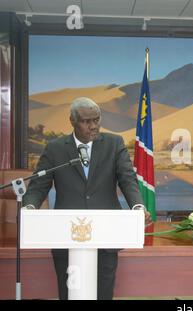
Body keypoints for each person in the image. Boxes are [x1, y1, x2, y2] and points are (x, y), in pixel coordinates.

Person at [23, 97, 147, 300]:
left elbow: (127, 178)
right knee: (68, 294)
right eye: (86, 121)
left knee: (104, 295)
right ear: (72, 120)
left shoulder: (114, 144)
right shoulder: (56, 148)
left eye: (96, 120)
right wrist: (29, 206)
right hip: (66, 235)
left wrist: (138, 205)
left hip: (106, 235)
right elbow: (39, 185)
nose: (93, 126)